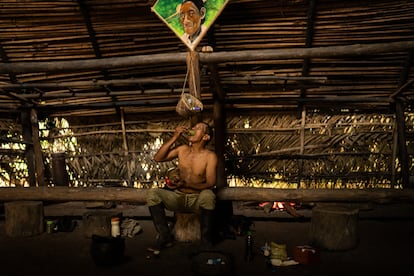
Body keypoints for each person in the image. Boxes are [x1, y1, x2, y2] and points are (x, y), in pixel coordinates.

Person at [147, 121, 218, 251]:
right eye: (193, 127)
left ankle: (206, 241)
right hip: (178, 197)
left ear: (205, 137)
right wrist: (175, 137)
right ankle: (165, 237)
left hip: (196, 200)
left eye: (198, 128)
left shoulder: (210, 156)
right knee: (153, 194)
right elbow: (158, 158)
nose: (192, 129)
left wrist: (188, 184)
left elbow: (210, 183)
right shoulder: (182, 149)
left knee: (208, 195)